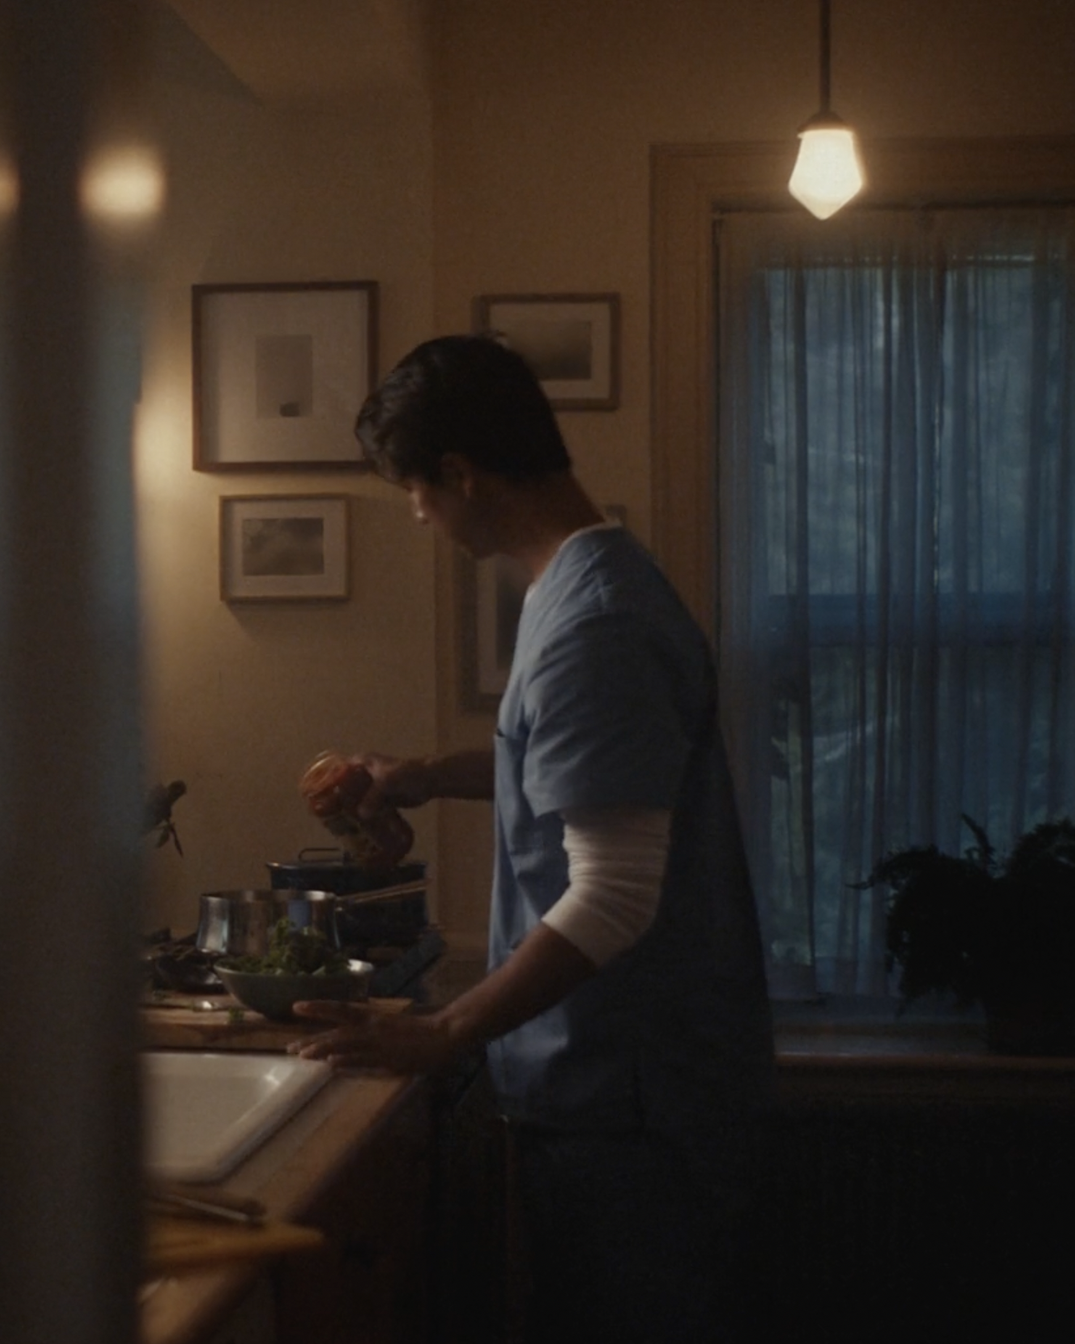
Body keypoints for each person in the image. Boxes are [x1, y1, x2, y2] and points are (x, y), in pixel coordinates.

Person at [291, 334, 774, 1343]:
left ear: (461, 475)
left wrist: (445, 1033)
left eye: (415, 489)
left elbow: (615, 894)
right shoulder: (587, 582)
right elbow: (573, 773)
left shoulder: (594, 624)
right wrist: (421, 776)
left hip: (631, 1106)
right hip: (618, 1089)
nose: (418, 513)